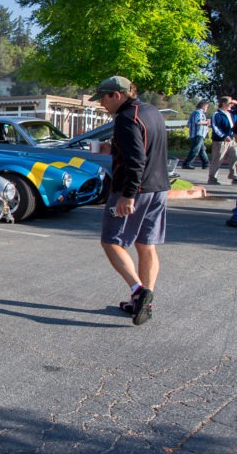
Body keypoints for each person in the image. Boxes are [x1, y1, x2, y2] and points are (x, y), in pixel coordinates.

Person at [90, 76, 169, 326]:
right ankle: (145, 302)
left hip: (135, 189)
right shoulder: (151, 112)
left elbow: (136, 160)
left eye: (103, 98)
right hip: (159, 188)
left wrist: (128, 195)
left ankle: (138, 291)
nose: (101, 103)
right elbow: (144, 148)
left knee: (111, 241)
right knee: (146, 245)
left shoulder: (125, 119)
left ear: (117, 95)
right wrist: (108, 149)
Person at [207, 96, 235, 185]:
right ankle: (212, 178)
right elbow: (215, 127)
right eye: (230, 103)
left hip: (232, 140)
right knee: (218, 159)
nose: (231, 105)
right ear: (224, 104)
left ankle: (234, 176)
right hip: (220, 141)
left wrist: (235, 103)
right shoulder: (217, 115)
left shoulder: (232, 113)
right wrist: (223, 136)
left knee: (235, 157)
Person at [181, 100, 210, 169]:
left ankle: (206, 163)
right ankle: (187, 163)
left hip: (195, 134)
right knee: (195, 149)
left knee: (201, 149)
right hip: (198, 134)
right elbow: (198, 121)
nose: (207, 108)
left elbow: (188, 124)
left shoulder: (194, 113)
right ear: (203, 106)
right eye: (207, 107)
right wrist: (207, 122)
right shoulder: (199, 112)